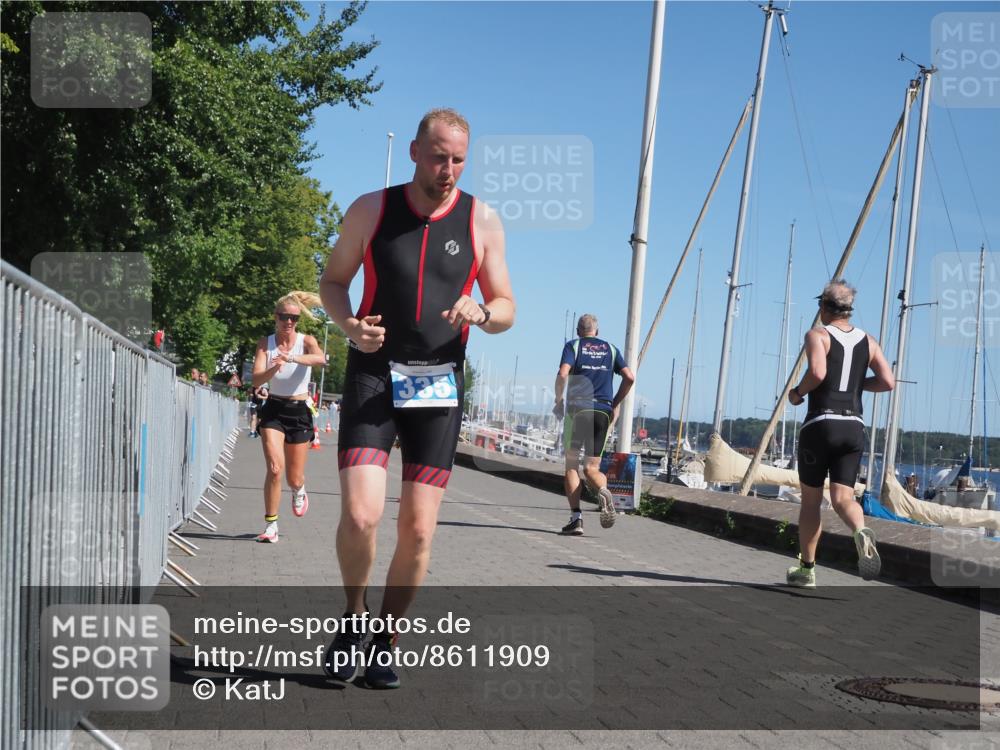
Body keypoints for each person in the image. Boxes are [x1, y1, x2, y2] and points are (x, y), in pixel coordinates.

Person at [318, 108, 514, 688]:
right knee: (359, 515)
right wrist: (349, 325)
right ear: (413, 152)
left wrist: (483, 310)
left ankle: (386, 638)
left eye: (457, 159)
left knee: (420, 532)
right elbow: (332, 281)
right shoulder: (371, 210)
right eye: (437, 156)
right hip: (374, 374)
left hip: (439, 383)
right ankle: (353, 620)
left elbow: (506, 305)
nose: (447, 169)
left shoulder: (483, 220)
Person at [785, 280, 895, 587]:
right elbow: (888, 382)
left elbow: (818, 373)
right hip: (853, 426)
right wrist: (859, 386)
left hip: (821, 423)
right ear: (849, 310)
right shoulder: (869, 341)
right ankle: (860, 532)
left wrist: (797, 392)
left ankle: (807, 569)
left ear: (823, 307)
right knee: (844, 497)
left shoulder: (817, 335)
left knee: (810, 502)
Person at [251, 292, 327, 543]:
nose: (289, 322)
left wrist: (292, 357)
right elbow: (257, 379)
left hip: (299, 411)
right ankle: (271, 525)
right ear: (276, 317)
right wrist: (275, 367)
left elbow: (321, 359)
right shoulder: (266, 343)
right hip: (273, 409)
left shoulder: (306, 341)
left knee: (294, 477)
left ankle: (298, 490)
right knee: (274, 469)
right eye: (284, 317)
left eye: (294, 318)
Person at [552, 314, 635, 535]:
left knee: (572, 466)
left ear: (579, 331)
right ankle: (604, 490)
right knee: (591, 468)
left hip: (579, 410)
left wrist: (559, 400)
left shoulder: (574, 346)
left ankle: (576, 518)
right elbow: (630, 377)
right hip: (602, 411)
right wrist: (614, 403)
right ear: (596, 332)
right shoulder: (611, 349)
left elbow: (563, 373)